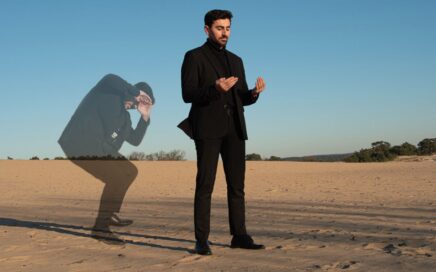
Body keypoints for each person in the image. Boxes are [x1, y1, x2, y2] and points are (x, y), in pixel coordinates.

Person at [179, 9, 266, 255]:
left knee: (237, 186)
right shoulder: (194, 57)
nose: (224, 33)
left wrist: (253, 94)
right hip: (207, 128)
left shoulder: (236, 60)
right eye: (219, 28)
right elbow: (187, 95)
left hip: (235, 128)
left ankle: (239, 235)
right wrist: (214, 88)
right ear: (207, 29)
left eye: (227, 28)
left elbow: (241, 97)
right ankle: (201, 240)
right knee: (205, 184)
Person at [58, 73, 154, 244]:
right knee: (117, 177)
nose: (135, 104)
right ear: (132, 91)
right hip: (77, 141)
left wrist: (145, 118)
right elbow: (109, 78)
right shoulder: (108, 92)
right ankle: (100, 229)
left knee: (130, 171)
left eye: (140, 104)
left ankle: (109, 215)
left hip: (98, 149)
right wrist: (137, 93)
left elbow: (135, 140)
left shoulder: (125, 119)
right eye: (138, 99)